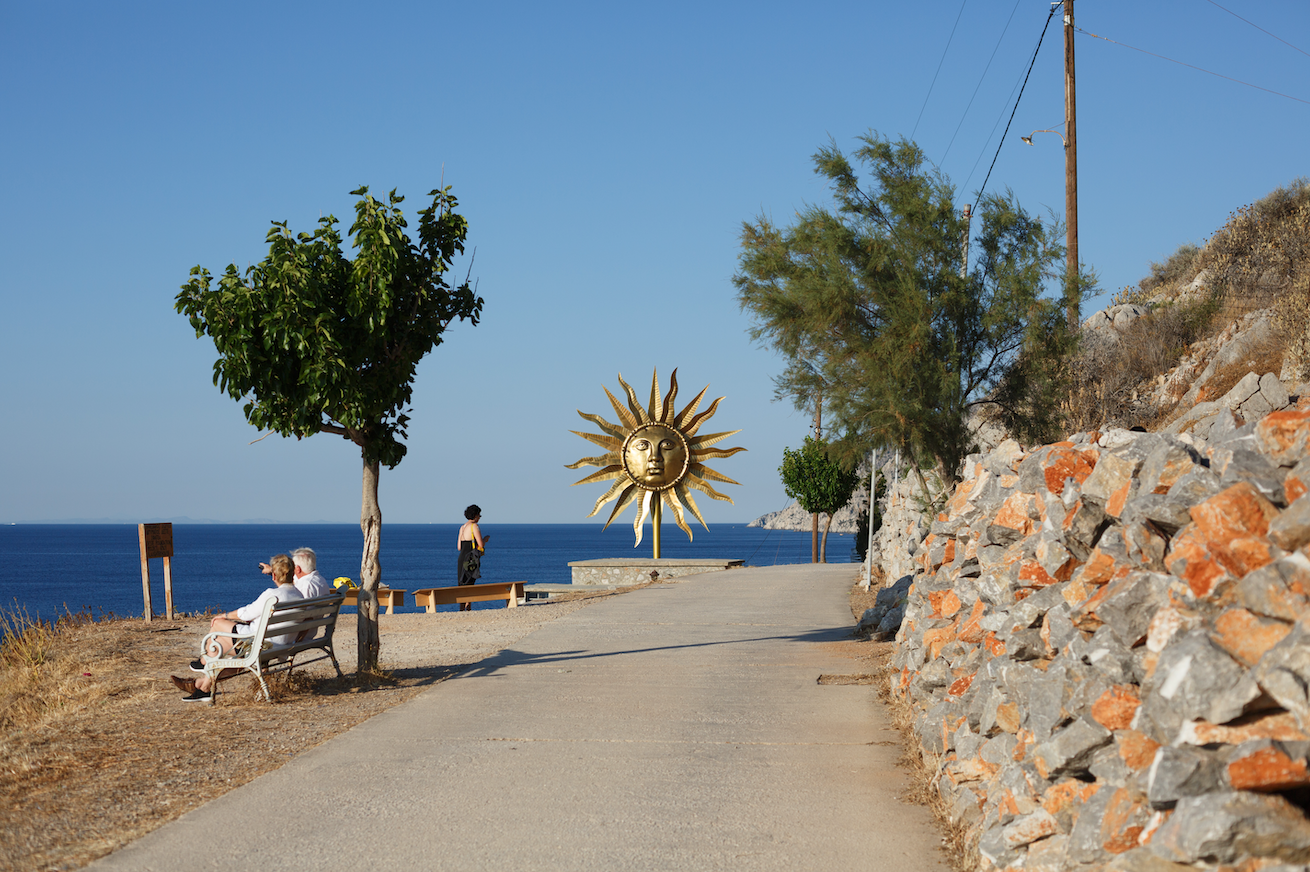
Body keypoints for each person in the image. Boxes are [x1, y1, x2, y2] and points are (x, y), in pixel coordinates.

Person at [171, 553, 304, 702]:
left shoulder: (271, 595)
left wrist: (224, 616)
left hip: (259, 644)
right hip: (281, 645)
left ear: (274, 576)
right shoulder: (299, 595)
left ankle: (204, 663)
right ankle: (202, 685)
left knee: (216, 625)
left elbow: (246, 613)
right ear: (293, 573)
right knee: (220, 644)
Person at [258, 547, 332, 598]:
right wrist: (273, 570)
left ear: (297, 569)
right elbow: (292, 580)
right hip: (319, 620)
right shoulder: (320, 580)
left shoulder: (306, 586)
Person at [456, 505, 489, 612]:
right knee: (470, 582)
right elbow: (481, 544)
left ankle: (461, 609)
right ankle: (468, 608)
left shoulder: (462, 527)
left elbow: (459, 547)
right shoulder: (474, 526)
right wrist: (485, 539)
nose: (479, 517)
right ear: (475, 515)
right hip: (471, 558)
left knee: (461, 583)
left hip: (462, 558)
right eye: (479, 515)